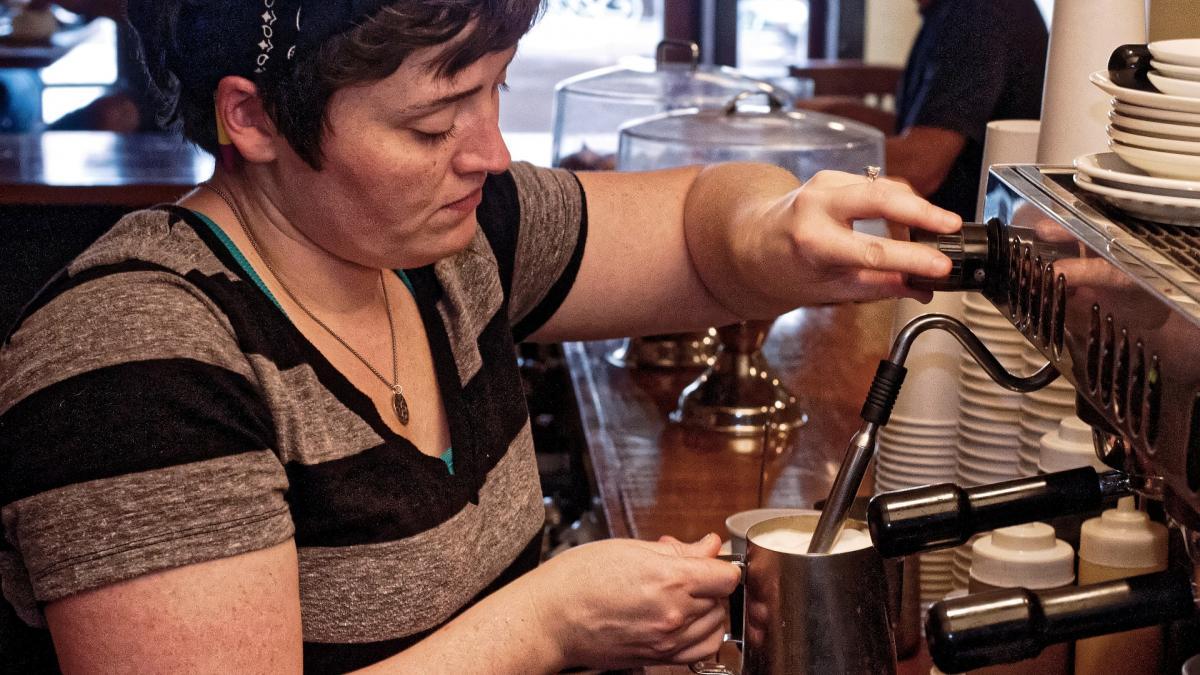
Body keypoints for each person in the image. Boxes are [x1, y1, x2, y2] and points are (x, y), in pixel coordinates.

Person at [0, 1, 961, 672]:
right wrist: (550, 623)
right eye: (431, 125)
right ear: (251, 118)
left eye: (494, 89)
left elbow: (695, 229)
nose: (490, 153)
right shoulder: (132, 358)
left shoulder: (447, 246)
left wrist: (771, 229)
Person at [800, 0, 1048, 221]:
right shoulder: (948, 12)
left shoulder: (979, 13)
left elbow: (920, 167)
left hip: (962, 242)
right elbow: (926, 124)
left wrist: (806, 155)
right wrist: (828, 116)